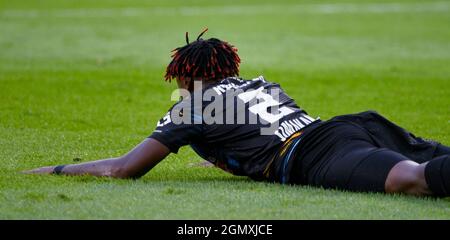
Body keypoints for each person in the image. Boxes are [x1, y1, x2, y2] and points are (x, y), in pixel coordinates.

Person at [24, 29, 450, 197]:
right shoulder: (258, 83)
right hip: (351, 126)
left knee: (411, 181)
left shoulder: (192, 106)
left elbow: (122, 170)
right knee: (434, 162)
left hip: (313, 154)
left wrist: (53, 171)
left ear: (184, 76)